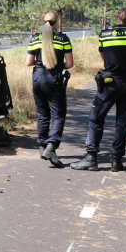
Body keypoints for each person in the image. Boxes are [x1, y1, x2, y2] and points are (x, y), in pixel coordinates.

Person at [71, 7, 126, 172]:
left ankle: (91, 158)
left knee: (96, 118)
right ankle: (116, 160)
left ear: (117, 17)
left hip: (109, 83)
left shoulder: (104, 35)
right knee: (122, 123)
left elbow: (104, 57)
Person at [26, 10, 74, 168]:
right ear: (57, 21)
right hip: (53, 80)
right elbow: (70, 64)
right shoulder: (63, 39)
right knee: (58, 116)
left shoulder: (35, 38)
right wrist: (57, 65)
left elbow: (29, 62)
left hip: (38, 79)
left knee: (43, 115)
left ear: (43, 20)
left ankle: (42, 146)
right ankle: (51, 147)